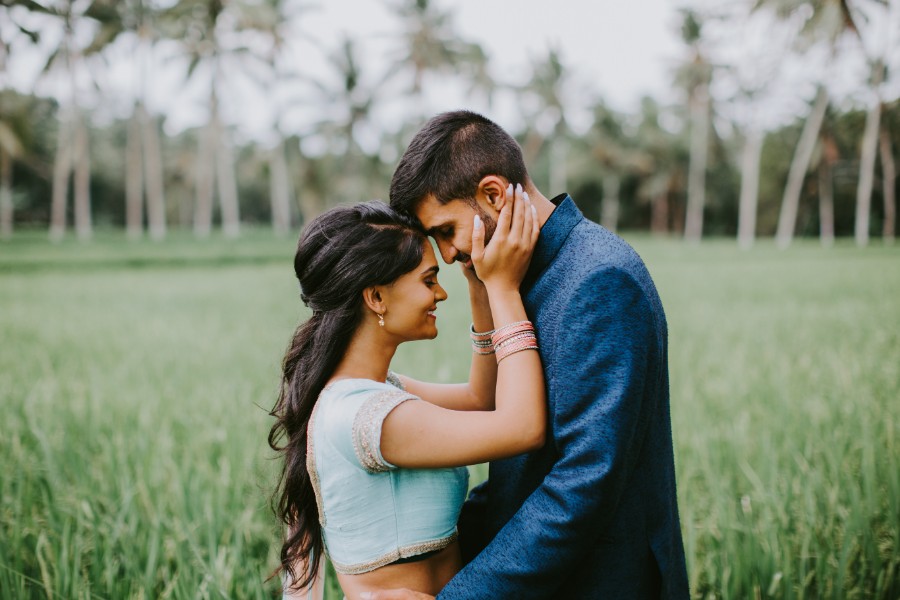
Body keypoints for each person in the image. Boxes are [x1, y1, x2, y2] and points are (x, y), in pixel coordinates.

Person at [371, 110, 690, 599]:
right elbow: (515, 472)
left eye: (446, 230)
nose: (448, 254)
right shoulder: (518, 280)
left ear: (493, 194)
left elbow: (583, 482)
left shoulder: (599, 279)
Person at [269, 193, 545, 600]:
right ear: (376, 297)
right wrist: (504, 290)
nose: (440, 293)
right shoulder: (367, 416)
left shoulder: (372, 393)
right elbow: (522, 427)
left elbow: (480, 398)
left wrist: (479, 284)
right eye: (428, 280)